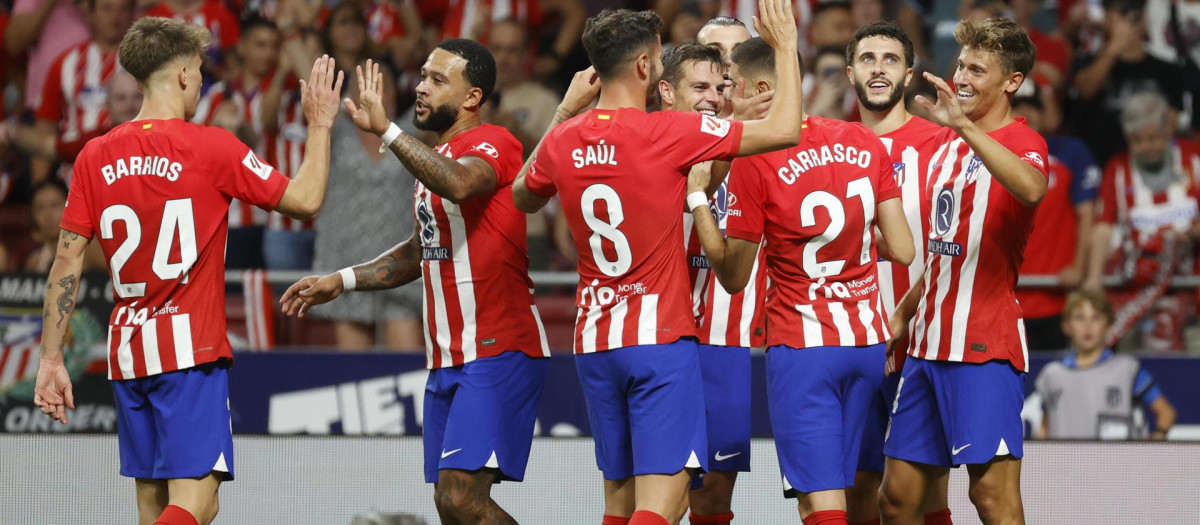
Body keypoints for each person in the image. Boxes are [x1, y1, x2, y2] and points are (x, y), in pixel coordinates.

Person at [32, 17, 342, 525]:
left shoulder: (93, 155)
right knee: (198, 502)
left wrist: (50, 359)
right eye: (198, 70)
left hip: (127, 352)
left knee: (154, 507)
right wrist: (321, 124)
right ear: (179, 74)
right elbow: (306, 199)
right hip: (187, 353)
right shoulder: (210, 147)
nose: (201, 82)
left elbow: (66, 261)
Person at [512, 2, 805, 523]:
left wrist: (562, 113)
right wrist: (783, 46)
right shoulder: (666, 134)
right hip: (658, 342)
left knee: (619, 503)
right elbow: (785, 130)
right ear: (649, 69)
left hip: (596, 340)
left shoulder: (563, 138)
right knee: (664, 504)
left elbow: (522, 195)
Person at [280, 41, 552, 523]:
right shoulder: (434, 156)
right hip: (447, 355)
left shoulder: (494, 141)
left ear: (472, 97)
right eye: (423, 75)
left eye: (437, 80)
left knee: (461, 499)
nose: (421, 87)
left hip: (496, 346)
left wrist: (386, 129)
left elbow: (462, 183)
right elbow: (416, 250)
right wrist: (342, 280)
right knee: (450, 507)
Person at [691, 33, 914, 525]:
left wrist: (698, 200)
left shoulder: (758, 157)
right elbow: (903, 249)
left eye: (734, 85)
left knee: (821, 501)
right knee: (852, 489)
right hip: (866, 344)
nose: (728, 95)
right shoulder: (862, 139)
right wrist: (848, 249)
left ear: (761, 87)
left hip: (803, 346)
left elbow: (733, 276)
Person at [881, 17, 1049, 525]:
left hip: (982, 344)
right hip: (927, 342)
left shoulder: (1023, 143)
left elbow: (1033, 188)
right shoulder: (947, 149)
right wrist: (904, 315)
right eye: (960, 65)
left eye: (977, 68)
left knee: (992, 499)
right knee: (898, 500)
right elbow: (941, 250)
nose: (962, 77)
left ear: (1012, 82)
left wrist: (965, 127)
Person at [843, 21, 952, 525]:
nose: (879, 68)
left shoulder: (941, 145)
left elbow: (953, 246)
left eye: (891, 59)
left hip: (923, 339)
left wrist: (907, 314)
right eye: (868, 58)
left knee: (923, 496)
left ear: (909, 74)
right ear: (850, 73)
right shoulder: (831, 147)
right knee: (858, 487)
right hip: (851, 338)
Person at [658, 42, 765, 525]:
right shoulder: (653, 140)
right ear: (670, 87)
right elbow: (690, 191)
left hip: (727, 334)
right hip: (665, 338)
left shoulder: (754, 145)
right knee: (660, 489)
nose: (715, 93)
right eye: (700, 83)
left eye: (722, 81)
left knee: (713, 496)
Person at [1084, 91, 1200, 352]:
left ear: (1168, 129)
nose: (1146, 146)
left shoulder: (1195, 159)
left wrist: (1192, 233)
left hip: (1191, 292)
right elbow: (1103, 227)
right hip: (1135, 294)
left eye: (1153, 138)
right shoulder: (1118, 168)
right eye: (1137, 140)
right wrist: (1093, 279)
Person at [1011, 83, 1098, 351]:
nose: (1027, 112)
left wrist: (1080, 265)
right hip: (1007, 297)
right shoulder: (992, 153)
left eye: (1035, 106)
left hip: (1057, 296)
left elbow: (1087, 215)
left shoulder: (1072, 153)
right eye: (1018, 105)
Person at [1034, 290, 1177, 440]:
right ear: (1066, 326)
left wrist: (1150, 447)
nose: (1087, 326)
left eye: (1096, 318)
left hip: (1114, 461)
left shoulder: (1127, 369)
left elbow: (1166, 413)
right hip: (1065, 461)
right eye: (1079, 318)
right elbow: (1045, 426)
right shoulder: (1052, 374)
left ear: (1108, 325)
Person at [1071, 0, 1186, 166]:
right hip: (1100, 164)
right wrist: (1113, 47)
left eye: (1134, 10)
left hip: (1148, 163)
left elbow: (1170, 124)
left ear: (1144, 16)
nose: (1128, 17)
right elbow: (1085, 91)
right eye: (1120, 11)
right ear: (1107, 17)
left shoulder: (1167, 70)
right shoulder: (1088, 61)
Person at [32, 0, 135, 183]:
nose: (115, 17)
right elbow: (45, 130)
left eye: (123, 9)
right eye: (107, 8)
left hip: (132, 166)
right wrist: (40, 187)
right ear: (91, 13)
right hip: (72, 173)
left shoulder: (145, 62)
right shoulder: (65, 64)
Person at [0, 70, 142, 164]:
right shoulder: (95, 142)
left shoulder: (163, 136)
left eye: (137, 97)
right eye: (121, 98)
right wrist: (11, 131)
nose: (129, 104)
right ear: (107, 105)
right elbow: (47, 146)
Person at [22, 178, 106, 272]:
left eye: (55, 205)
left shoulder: (90, 250)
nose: (48, 215)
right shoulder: (35, 262)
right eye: (40, 208)